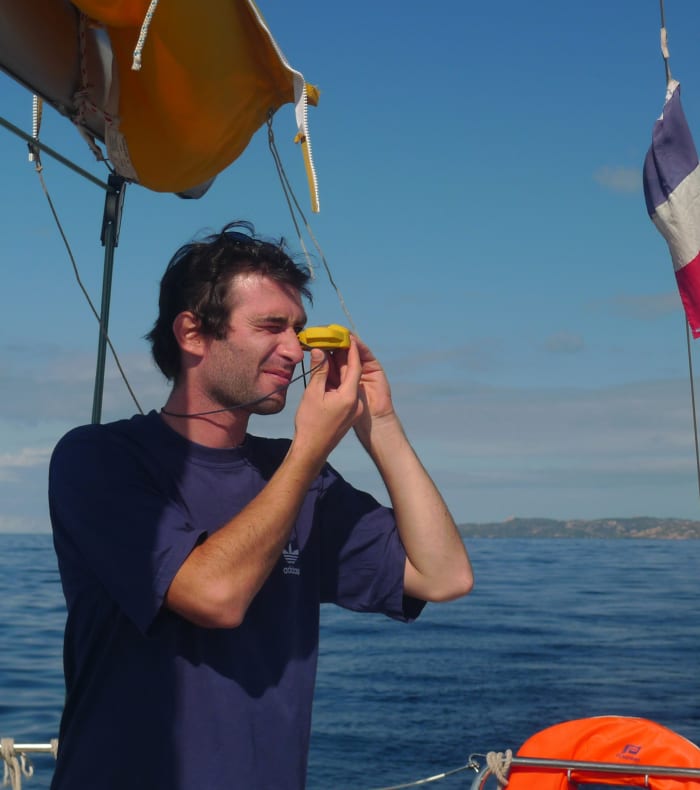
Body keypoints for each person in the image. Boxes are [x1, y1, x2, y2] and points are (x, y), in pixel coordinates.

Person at [49, 221, 473, 789]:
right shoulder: (99, 459)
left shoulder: (301, 476)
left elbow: (443, 576)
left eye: (299, 330)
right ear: (193, 333)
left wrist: (382, 427)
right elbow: (213, 595)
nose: (295, 351)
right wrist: (308, 450)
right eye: (272, 327)